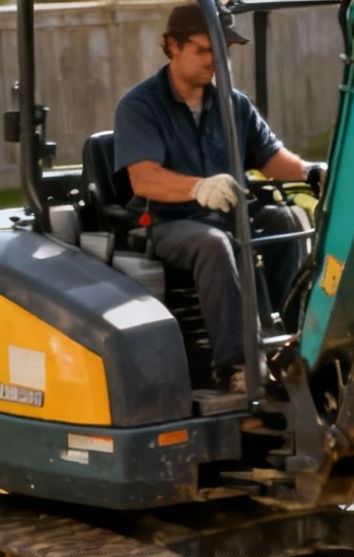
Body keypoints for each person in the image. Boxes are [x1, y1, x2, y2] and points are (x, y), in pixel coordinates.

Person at [113, 3, 324, 391]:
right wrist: (198, 187)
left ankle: (291, 339)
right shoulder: (139, 107)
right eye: (203, 50)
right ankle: (236, 365)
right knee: (214, 244)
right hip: (168, 222)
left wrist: (310, 172)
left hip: (230, 212)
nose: (215, 61)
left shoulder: (233, 103)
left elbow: (270, 157)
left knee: (290, 220)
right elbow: (144, 179)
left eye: (221, 52)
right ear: (171, 46)